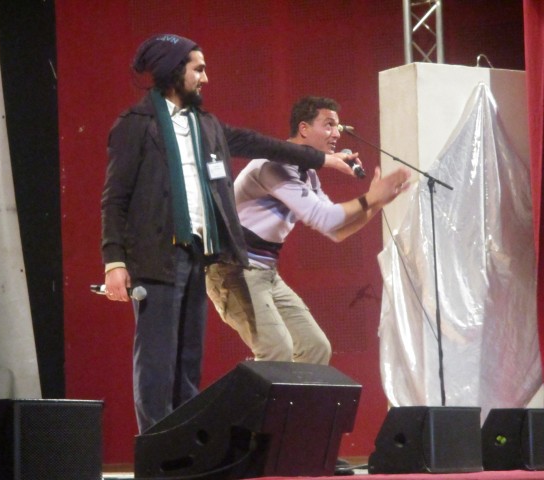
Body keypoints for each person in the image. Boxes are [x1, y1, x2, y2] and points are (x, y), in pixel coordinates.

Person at [100, 35, 364, 433]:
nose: (206, 78)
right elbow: (115, 198)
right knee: (157, 360)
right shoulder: (136, 125)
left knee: (188, 361)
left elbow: (264, 144)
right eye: (198, 69)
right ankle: (156, 446)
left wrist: (324, 160)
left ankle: (184, 445)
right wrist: (114, 261)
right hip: (156, 258)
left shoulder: (206, 126)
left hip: (200, 255)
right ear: (174, 71)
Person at [206, 96, 411, 365]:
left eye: (337, 127)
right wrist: (370, 198)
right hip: (233, 271)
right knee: (276, 351)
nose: (336, 134)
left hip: (265, 273)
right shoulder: (273, 165)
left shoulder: (308, 174)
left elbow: (336, 231)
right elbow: (325, 219)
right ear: (304, 128)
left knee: (315, 348)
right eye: (329, 125)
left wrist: (376, 204)